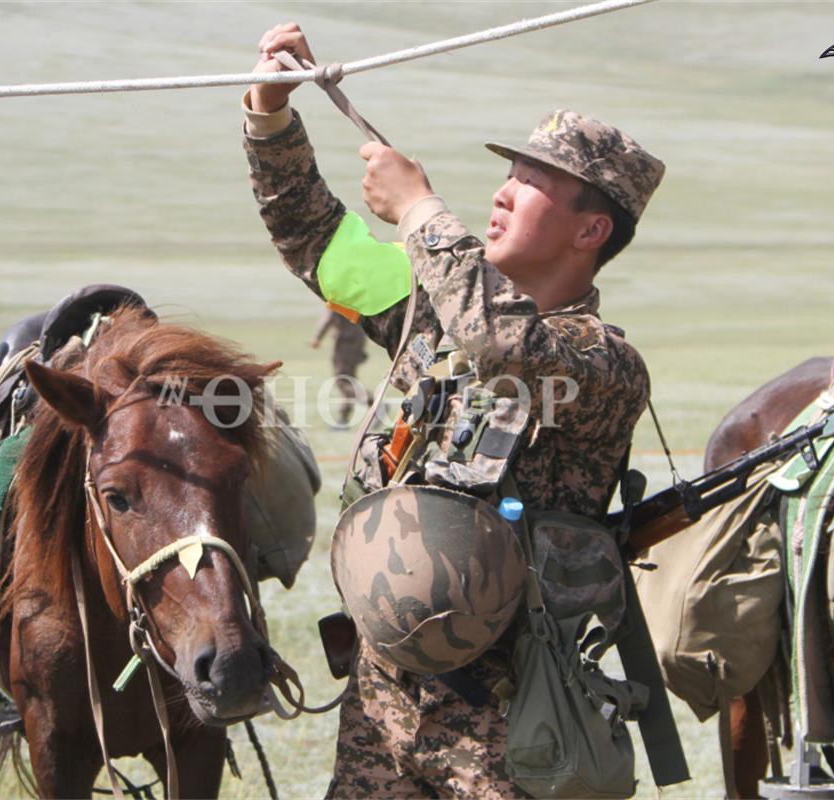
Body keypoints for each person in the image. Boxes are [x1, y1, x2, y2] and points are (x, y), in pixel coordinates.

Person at [242, 23, 665, 798]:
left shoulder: (603, 367)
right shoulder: (429, 309)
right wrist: (271, 114)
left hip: (511, 727)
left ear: (591, 230)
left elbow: (502, 342)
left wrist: (421, 210)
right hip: (382, 709)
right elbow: (316, 239)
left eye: (532, 182)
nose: (502, 192)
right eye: (509, 173)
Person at [309, 306, 368, 426]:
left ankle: (374, 403)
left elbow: (329, 318)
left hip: (345, 342)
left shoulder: (334, 294)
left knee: (343, 381)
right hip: (357, 338)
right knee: (349, 379)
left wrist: (317, 337)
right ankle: (343, 417)